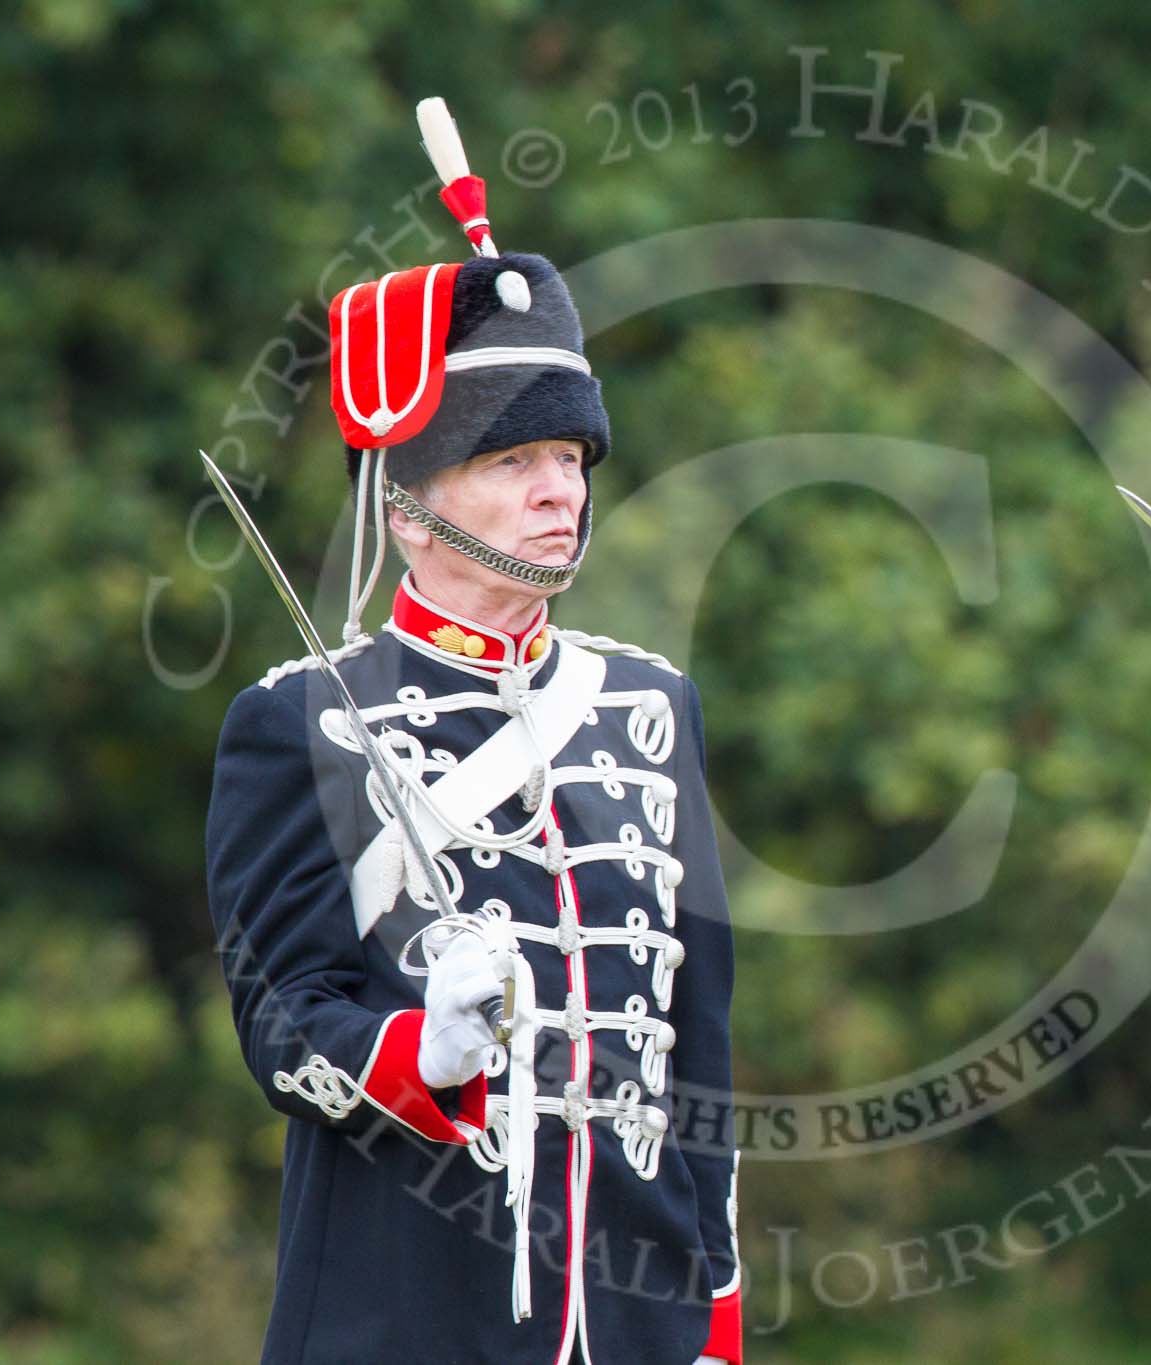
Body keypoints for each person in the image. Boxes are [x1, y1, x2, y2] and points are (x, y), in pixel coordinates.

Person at [206, 99, 740, 1364]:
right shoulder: (299, 721)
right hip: (410, 1299)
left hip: (632, 1310)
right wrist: (416, 1052)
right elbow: (281, 1024)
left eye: (569, 457)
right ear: (407, 510)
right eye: (514, 463)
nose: (561, 490)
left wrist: (712, 1314)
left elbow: (698, 1044)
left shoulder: (648, 707)